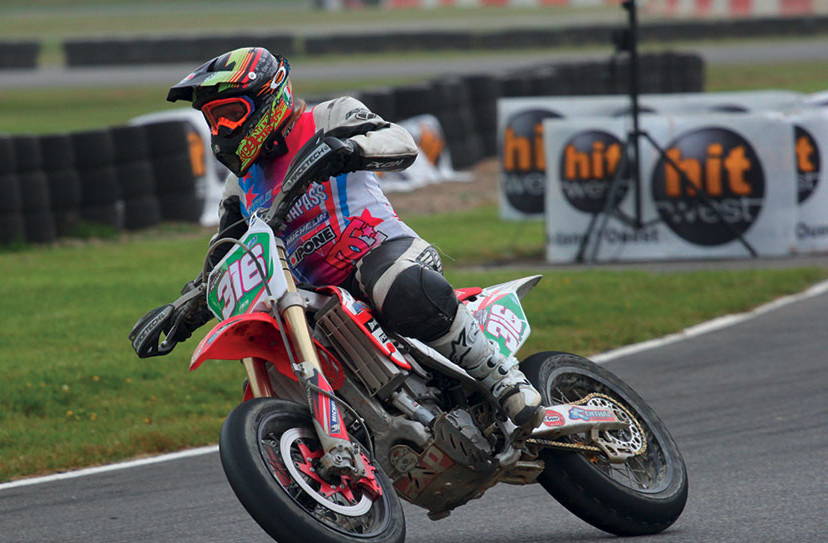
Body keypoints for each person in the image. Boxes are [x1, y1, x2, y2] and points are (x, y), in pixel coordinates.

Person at [162, 46, 543, 453]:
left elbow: (400, 142)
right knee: (282, 361)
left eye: (230, 113)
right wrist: (183, 309)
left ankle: (504, 380)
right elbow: (224, 253)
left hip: (382, 254)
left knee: (398, 287)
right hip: (313, 297)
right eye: (213, 119)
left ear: (268, 96)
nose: (222, 128)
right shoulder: (238, 187)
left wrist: (350, 150)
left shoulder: (330, 116)